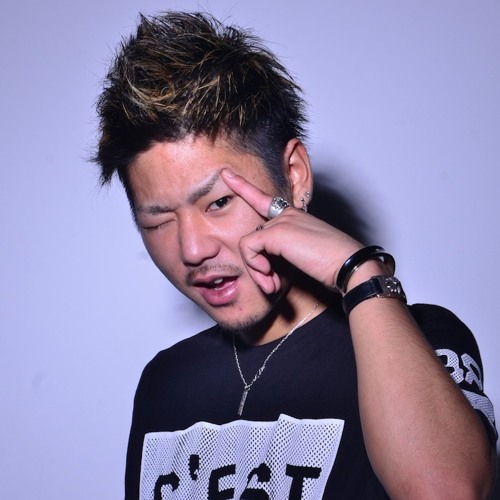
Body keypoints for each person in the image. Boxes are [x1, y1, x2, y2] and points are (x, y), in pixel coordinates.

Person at [93, 11, 497, 499]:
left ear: (295, 176)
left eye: (218, 203)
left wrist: (359, 273)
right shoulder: (166, 382)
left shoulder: (418, 339)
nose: (193, 249)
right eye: (158, 222)